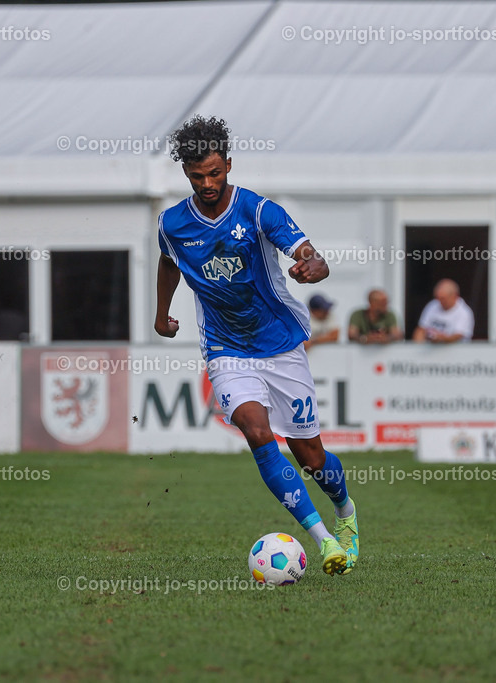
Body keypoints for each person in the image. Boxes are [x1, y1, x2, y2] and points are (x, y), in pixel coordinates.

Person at [154, 116, 357, 576]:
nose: (207, 183)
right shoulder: (171, 222)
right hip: (225, 347)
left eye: (214, 173)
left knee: (311, 455)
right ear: (186, 173)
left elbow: (309, 254)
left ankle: (345, 513)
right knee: (257, 430)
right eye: (196, 176)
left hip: (280, 343)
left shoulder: (260, 210)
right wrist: (162, 311)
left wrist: (314, 268)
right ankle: (323, 541)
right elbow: (168, 261)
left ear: (228, 164)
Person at [412, 278, 474, 343]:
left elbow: (458, 335)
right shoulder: (432, 305)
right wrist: (418, 346)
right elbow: (421, 329)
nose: (440, 302)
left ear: (455, 296)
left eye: (443, 299)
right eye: (438, 298)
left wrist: (441, 338)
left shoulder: (464, 312)